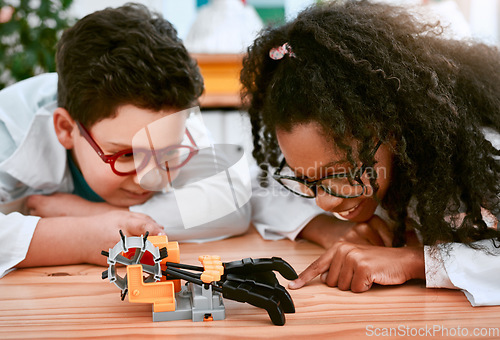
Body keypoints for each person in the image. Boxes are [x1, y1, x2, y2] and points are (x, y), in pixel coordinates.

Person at [0, 3, 328, 278]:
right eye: (126, 155)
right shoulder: (8, 127)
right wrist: (86, 236)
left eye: (167, 156)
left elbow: (232, 200)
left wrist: (90, 213)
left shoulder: (169, 114)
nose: (149, 178)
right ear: (65, 129)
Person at [240, 0, 500, 306]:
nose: (324, 201)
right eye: (305, 180)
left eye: (339, 173)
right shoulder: (391, 162)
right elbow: (261, 188)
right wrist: (330, 229)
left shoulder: (481, 157)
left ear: (391, 131)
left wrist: (416, 261)